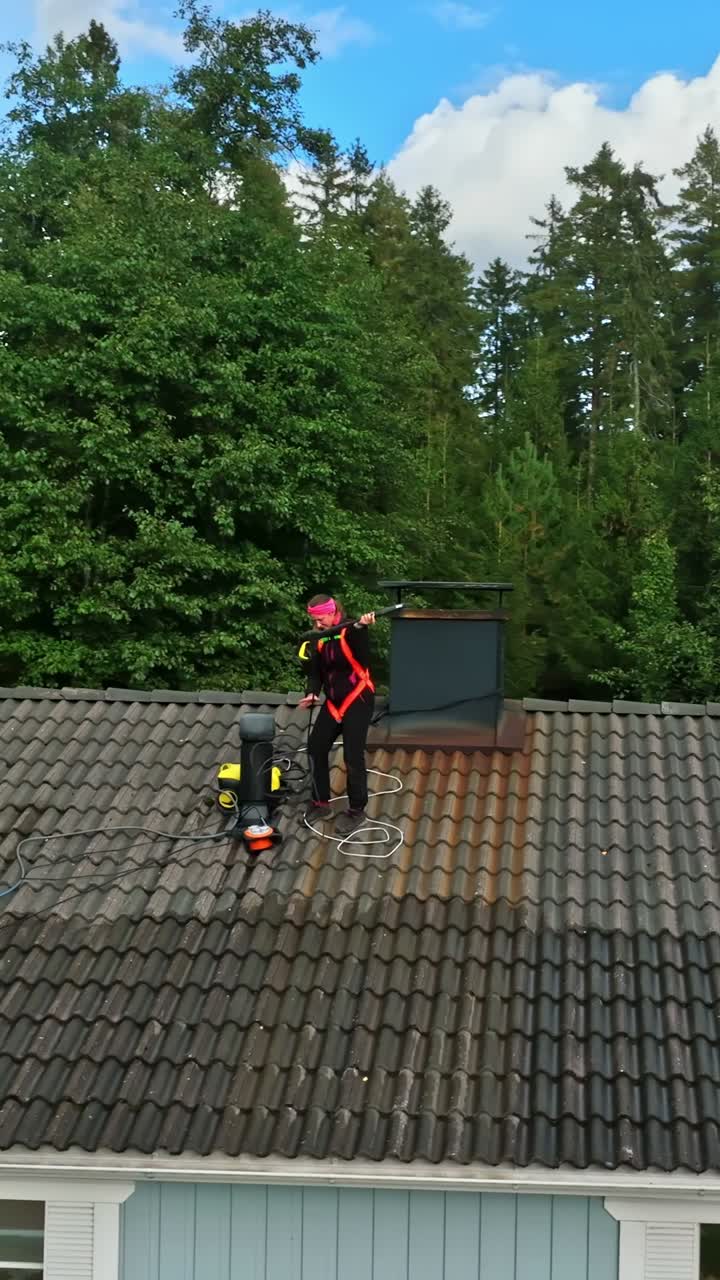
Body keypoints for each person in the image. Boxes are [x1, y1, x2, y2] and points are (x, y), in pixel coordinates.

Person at [298, 594, 376, 835]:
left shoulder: (351, 630)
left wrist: (362, 628)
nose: (318, 625)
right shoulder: (319, 639)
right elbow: (316, 674)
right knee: (315, 747)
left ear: (333, 613)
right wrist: (312, 693)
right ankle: (321, 803)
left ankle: (356, 810)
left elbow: (364, 657)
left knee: (352, 755)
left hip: (358, 697)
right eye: (315, 621)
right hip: (333, 701)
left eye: (321, 619)